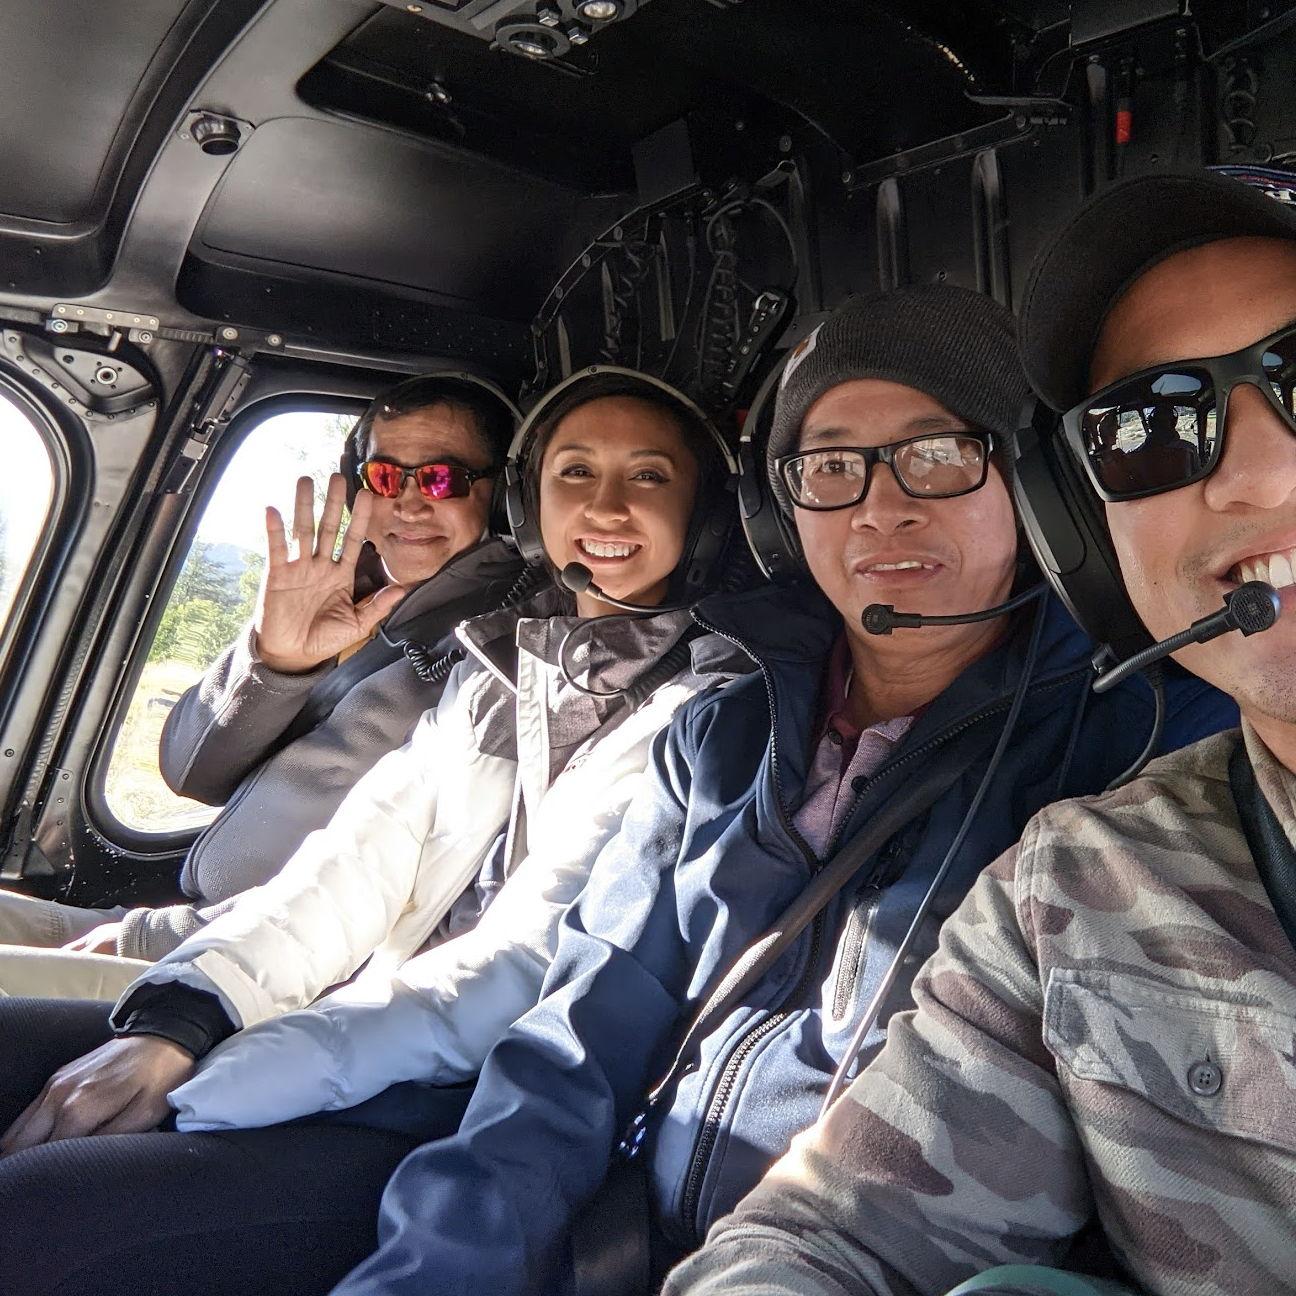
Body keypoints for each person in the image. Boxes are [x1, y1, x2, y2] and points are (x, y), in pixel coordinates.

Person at [318, 286, 1230, 1296]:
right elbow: (573, 1044)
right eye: (832, 466)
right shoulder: (718, 734)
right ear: (779, 512)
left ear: (1035, 485)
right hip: (632, 1244)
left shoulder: (1149, 747)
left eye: (939, 454)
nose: (883, 508)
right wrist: (433, 1272)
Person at [662, 169, 1296, 1296]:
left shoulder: (1111, 732)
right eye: (1153, 426)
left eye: (940, 455)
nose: (1253, 475)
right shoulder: (1077, 887)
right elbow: (821, 1241)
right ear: (1085, 526)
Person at [0, 367, 754, 1296]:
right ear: (534, 500)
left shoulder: (710, 707)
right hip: (336, 1010)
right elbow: (354, 861)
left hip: (469, 1101)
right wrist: (183, 1018)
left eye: (646, 477)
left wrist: (219, 1078)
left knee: (42, 1207)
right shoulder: (504, 668)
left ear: (708, 514)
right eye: (573, 473)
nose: (604, 506)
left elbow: (524, 963)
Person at [0, 372, 526, 1000]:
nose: (409, 504)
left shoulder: (505, 647)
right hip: (195, 924)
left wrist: (162, 937)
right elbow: (190, 772)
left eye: (442, 478)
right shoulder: (330, 595)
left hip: (266, 974)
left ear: (501, 496)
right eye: (386, 477)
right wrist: (272, 661)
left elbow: (406, 880)